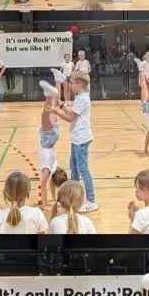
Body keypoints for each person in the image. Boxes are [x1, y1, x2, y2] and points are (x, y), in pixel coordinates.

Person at [51, 72, 97, 213]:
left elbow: (71, 117)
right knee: (74, 168)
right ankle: (74, 196)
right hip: (77, 138)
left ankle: (91, 200)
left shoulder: (82, 99)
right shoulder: (80, 98)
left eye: (73, 83)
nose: (71, 85)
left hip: (81, 139)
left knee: (83, 170)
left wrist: (56, 111)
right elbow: (73, 112)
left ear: (81, 85)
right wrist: (62, 104)